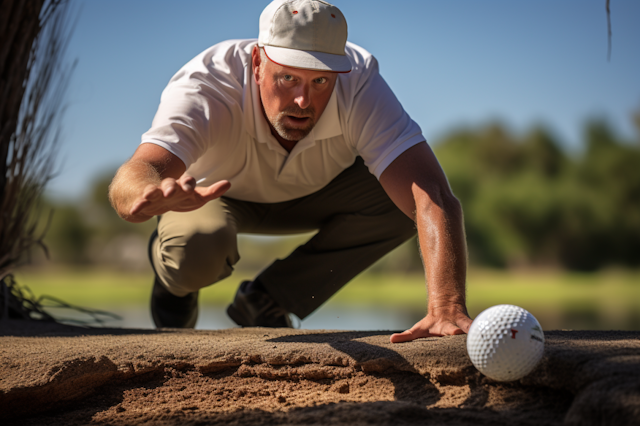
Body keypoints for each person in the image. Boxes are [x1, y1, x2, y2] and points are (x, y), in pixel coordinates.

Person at [109, 0, 472, 343]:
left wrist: (447, 307)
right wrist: (145, 194)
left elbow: (434, 196)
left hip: (318, 195)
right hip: (214, 196)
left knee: (405, 201)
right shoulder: (208, 83)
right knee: (195, 250)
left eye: (319, 82)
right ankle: (175, 288)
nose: (303, 101)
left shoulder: (359, 81)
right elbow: (140, 169)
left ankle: (266, 299)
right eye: (287, 79)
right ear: (256, 62)